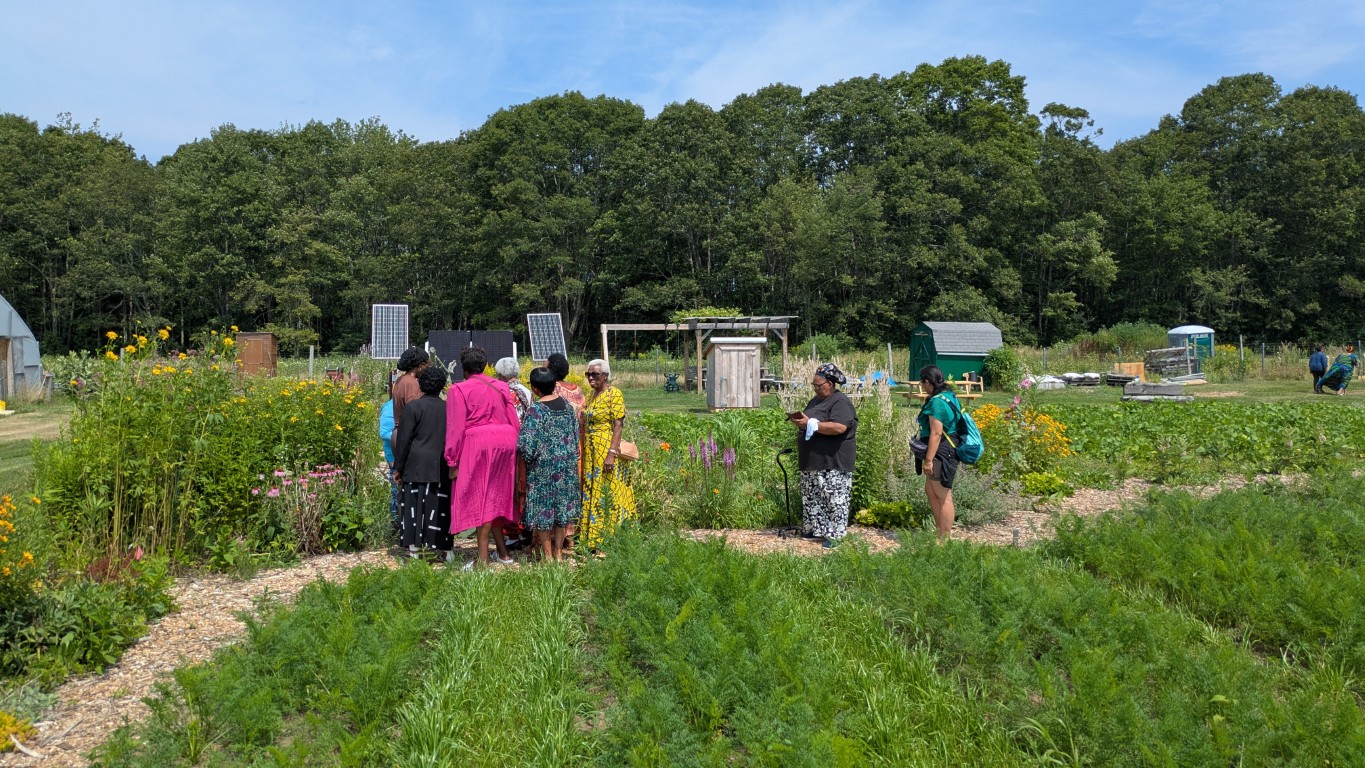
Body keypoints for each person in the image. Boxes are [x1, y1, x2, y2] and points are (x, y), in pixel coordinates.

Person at [446, 346, 521, 568]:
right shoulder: (501, 386)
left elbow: (455, 429)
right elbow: (513, 420)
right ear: (485, 365)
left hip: (478, 444)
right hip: (506, 441)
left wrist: (452, 460)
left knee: (480, 498)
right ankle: (503, 552)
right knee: (495, 496)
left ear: (463, 367)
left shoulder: (458, 390)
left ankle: (482, 560)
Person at [516, 367, 582, 561]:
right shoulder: (567, 407)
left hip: (543, 470)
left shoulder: (536, 410)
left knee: (543, 512)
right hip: (566, 468)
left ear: (535, 388)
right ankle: (559, 553)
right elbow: (574, 437)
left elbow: (526, 446)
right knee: (562, 511)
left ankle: (548, 556)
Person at [790, 363, 857, 547]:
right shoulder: (816, 400)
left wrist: (812, 423)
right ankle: (816, 530)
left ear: (830, 383)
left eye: (819, 385)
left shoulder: (840, 401)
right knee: (813, 496)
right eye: (814, 385)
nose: (816, 389)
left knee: (833, 498)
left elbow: (839, 427)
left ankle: (836, 535)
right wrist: (801, 421)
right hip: (813, 460)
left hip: (832, 461)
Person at [392, 366, 454, 559]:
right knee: (440, 505)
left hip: (415, 464)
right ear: (442, 386)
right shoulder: (448, 408)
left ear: (421, 384)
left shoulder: (413, 407)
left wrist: (398, 467)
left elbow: (404, 440)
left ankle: (414, 549)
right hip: (440, 464)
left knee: (414, 504)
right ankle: (445, 548)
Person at [579, 358, 635, 549]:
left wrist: (611, 453)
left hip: (606, 449)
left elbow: (618, 424)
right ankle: (593, 539)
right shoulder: (592, 394)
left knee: (608, 493)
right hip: (592, 452)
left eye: (595, 374)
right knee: (594, 490)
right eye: (588, 374)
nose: (590, 378)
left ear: (605, 376)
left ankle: (610, 540)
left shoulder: (614, 394)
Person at [916, 365, 961, 541]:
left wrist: (928, 460)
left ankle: (945, 538)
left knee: (943, 494)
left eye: (922, 382)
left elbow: (936, 433)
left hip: (941, 451)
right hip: (944, 448)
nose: (922, 386)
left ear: (927, 382)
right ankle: (940, 531)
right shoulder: (949, 395)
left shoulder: (936, 402)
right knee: (931, 490)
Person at [391, 347, 429, 426]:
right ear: (420, 366)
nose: (427, 370)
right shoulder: (411, 383)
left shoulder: (400, 380)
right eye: (426, 366)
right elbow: (416, 412)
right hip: (409, 432)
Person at [379, 398, 399, 536]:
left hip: (407, 455)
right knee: (396, 490)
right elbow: (384, 432)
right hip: (394, 456)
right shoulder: (390, 407)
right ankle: (396, 523)